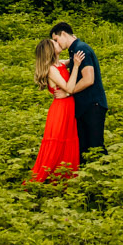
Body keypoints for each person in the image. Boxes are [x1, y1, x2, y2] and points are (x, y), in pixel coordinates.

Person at [27, 36, 81, 183]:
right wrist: (76, 66)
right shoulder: (51, 69)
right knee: (56, 143)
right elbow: (69, 87)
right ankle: (43, 180)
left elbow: (69, 60)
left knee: (67, 142)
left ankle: (63, 178)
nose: (58, 43)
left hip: (68, 107)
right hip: (60, 110)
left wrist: (75, 41)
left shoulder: (59, 64)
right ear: (50, 50)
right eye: (54, 43)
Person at [49, 23, 106, 160]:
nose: (56, 43)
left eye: (56, 40)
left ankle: (106, 175)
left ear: (63, 34)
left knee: (95, 146)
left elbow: (89, 79)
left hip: (93, 104)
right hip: (85, 104)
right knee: (84, 147)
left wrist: (68, 92)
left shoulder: (81, 49)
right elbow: (62, 63)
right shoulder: (74, 50)